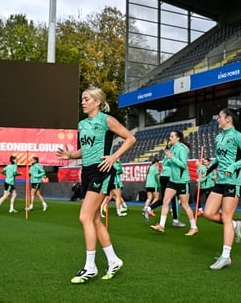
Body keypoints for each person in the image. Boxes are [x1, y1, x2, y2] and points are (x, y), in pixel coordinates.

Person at [56, 86, 136, 284]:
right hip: (87, 172)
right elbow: (85, 149)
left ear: (97, 101)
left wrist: (114, 156)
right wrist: (70, 155)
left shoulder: (107, 119)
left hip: (102, 170)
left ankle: (90, 267)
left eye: (86, 99)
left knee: (84, 217)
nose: (82, 102)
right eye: (82, 99)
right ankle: (114, 260)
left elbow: (130, 138)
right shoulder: (82, 124)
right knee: (94, 220)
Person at [203, 108, 241, 270]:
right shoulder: (219, 137)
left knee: (225, 217)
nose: (217, 120)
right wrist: (207, 171)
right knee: (208, 213)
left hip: (234, 181)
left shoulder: (239, 136)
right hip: (220, 180)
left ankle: (226, 256)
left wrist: (233, 166)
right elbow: (218, 158)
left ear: (228, 119)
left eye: (220, 117)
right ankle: (234, 224)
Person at [150, 131, 198, 236]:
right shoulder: (172, 149)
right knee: (165, 201)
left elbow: (183, 165)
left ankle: (194, 227)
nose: (169, 138)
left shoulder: (182, 149)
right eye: (170, 136)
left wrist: (172, 157)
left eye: (172, 136)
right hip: (172, 180)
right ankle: (161, 226)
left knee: (185, 205)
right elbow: (168, 163)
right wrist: (167, 158)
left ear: (178, 138)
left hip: (182, 181)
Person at [144, 144, 185, 228]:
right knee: (174, 199)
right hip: (169, 178)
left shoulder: (164, 158)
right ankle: (175, 220)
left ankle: (148, 208)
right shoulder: (170, 157)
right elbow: (178, 165)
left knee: (163, 199)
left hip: (163, 177)